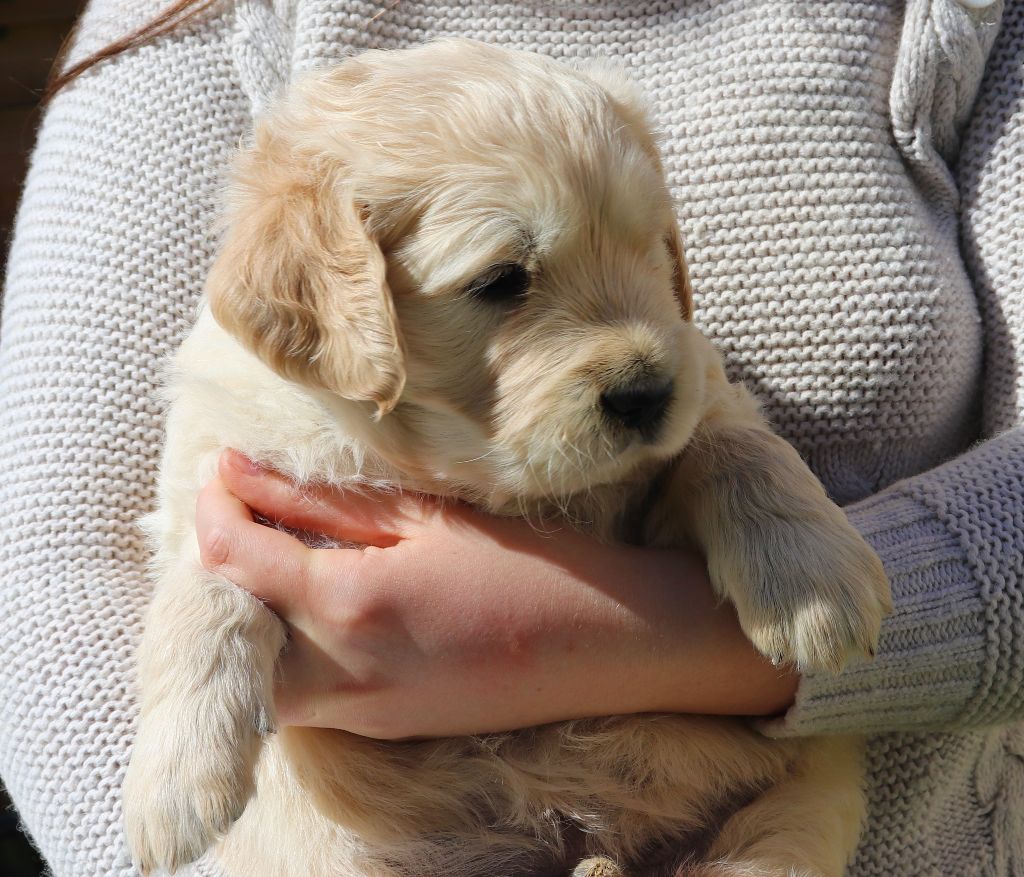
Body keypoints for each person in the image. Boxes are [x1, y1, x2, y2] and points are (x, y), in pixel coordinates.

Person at [1, 1, 1021, 876]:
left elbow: (713, 421)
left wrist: (641, 610)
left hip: (723, 818)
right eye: (500, 282)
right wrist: (208, 639)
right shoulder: (199, 40)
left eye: (645, 247)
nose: (642, 358)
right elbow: (64, 568)